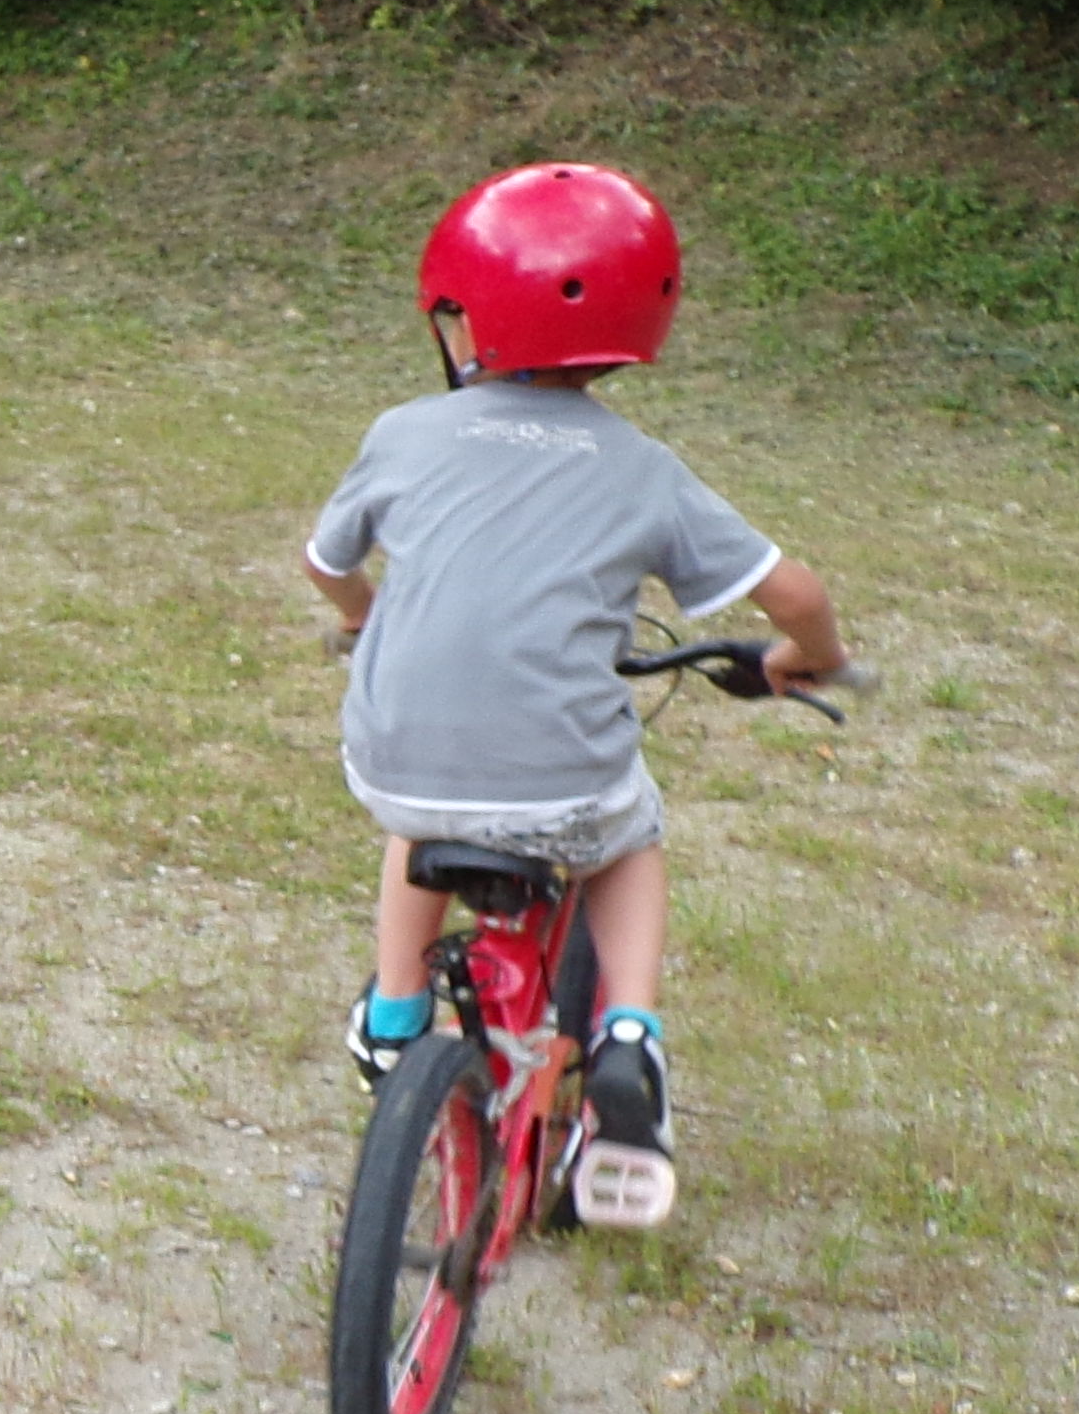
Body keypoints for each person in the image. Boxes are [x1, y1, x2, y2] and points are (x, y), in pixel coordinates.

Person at [300, 164, 846, 1229]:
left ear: (467, 318)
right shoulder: (643, 469)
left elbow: (325, 563)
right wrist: (806, 655)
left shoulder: (404, 432)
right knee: (625, 838)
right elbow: (798, 595)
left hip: (399, 753)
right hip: (565, 779)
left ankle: (395, 1011)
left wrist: (365, 619)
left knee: (419, 819)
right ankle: (629, 1036)